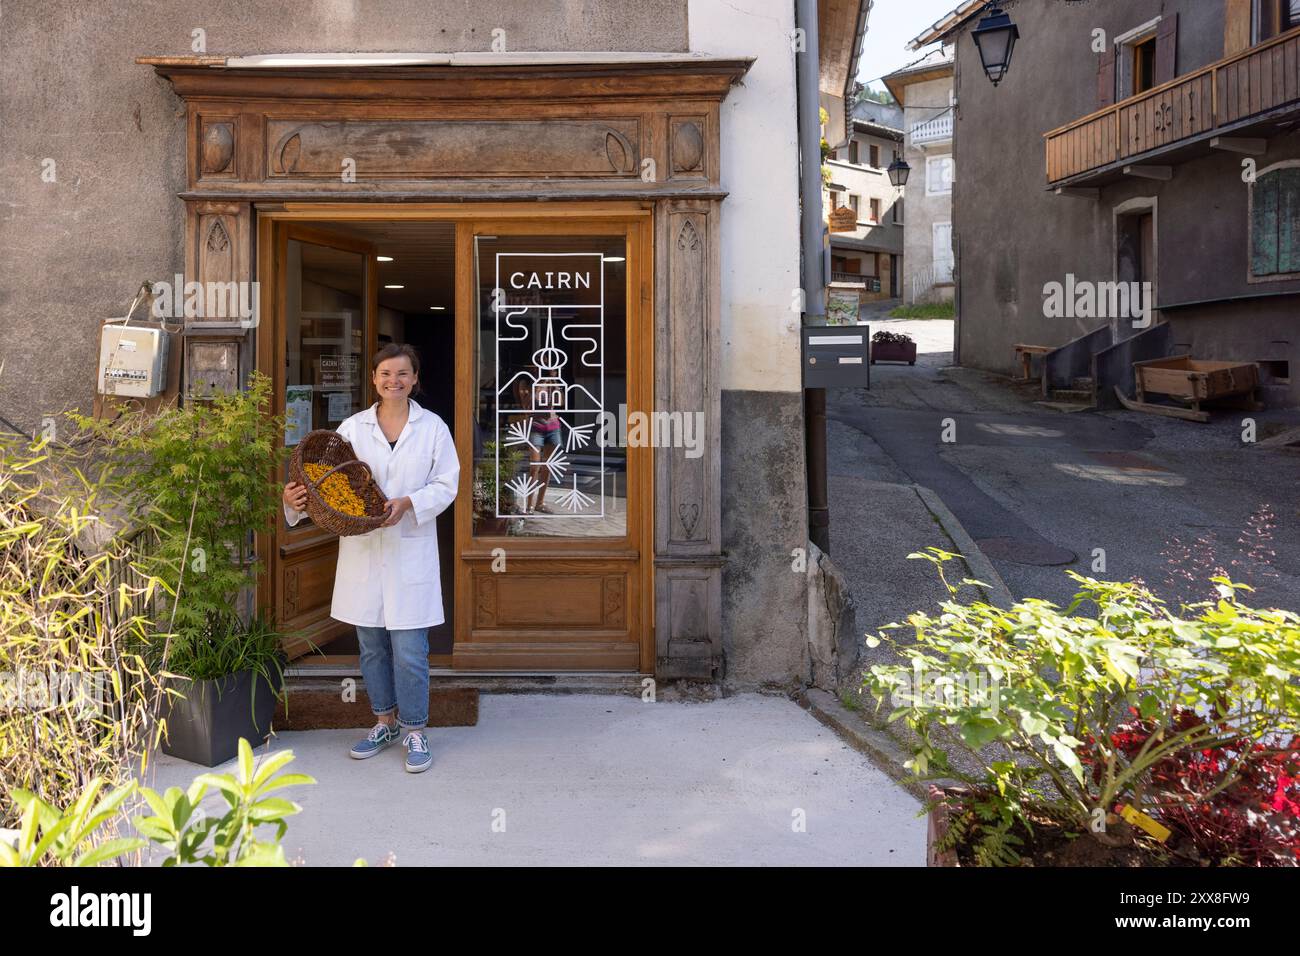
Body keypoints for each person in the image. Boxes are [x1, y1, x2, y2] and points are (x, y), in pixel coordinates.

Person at [282, 343, 458, 773]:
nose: (393, 381)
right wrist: (293, 501)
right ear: (374, 379)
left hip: (409, 550)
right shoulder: (354, 427)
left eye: (402, 374)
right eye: (385, 374)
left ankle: (415, 729)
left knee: (411, 650)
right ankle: (384, 722)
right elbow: (327, 483)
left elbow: (447, 484)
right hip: (362, 553)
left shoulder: (432, 427)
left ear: (415, 379)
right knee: (372, 649)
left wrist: (409, 502)